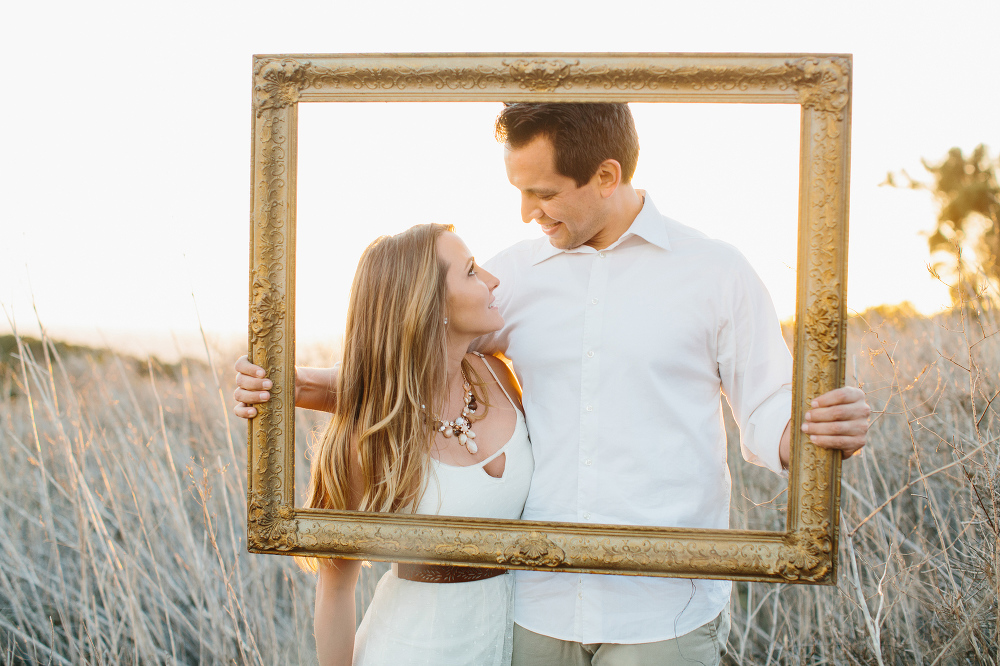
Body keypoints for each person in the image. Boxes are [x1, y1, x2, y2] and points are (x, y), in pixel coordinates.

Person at [236, 103, 871, 666]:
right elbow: (421, 366)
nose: (524, 212)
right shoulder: (512, 276)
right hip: (532, 609)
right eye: (518, 191)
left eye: (541, 192)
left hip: (663, 608)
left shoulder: (715, 272)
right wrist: (291, 387)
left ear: (606, 176)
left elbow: (766, 406)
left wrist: (814, 433)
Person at [258, 223, 533, 666]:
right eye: (470, 272)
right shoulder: (372, 437)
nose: (492, 280)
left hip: (510, 644)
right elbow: (337, 586)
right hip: (409, 650)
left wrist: (303, 382)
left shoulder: (500, 378)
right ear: (428, 304)